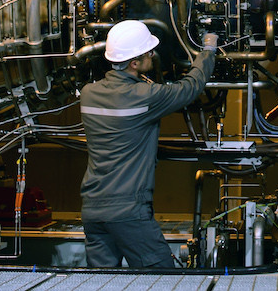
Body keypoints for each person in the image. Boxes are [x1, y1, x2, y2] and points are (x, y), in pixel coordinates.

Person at [78, 20, 218, 267]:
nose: (153, 55)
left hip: (92, 209)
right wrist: (208, 50)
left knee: (102, 281)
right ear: (134, 63)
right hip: (128, 211)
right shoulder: (144, 96)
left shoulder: (89, 93)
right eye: (148, 52)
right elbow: (190, 87)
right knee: (162, 278)